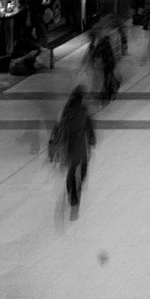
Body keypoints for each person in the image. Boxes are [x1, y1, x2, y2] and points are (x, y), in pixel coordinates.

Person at [53, 85, 97, 217]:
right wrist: (92, 140)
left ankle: (72, 197)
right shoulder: (83, 112)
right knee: (82, 171)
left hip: (68, 147)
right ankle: (76, 193)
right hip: (80, 147)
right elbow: (89, 128)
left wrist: (55, 144)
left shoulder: (65, 111)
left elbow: (57, 128)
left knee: (71, 171)